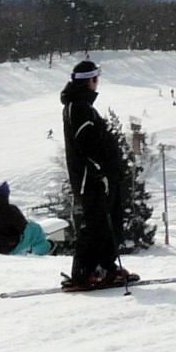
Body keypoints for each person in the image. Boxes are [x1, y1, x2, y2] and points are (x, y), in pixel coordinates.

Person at [60, 60, 134, 289]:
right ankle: (84, 271)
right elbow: (85, 145)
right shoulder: (79, 108)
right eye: (95, 79)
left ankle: (106, 266)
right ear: (89, 81)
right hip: (91, 179)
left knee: (109, 220)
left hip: (102, 176)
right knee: (96, 224)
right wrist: (97, 171)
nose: (97, 83)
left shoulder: (83, 106)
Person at [0, 182, 51, 256]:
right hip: (7, 246)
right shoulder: (11, 210)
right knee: (34, 229)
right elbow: (23, 227)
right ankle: (44, 249)